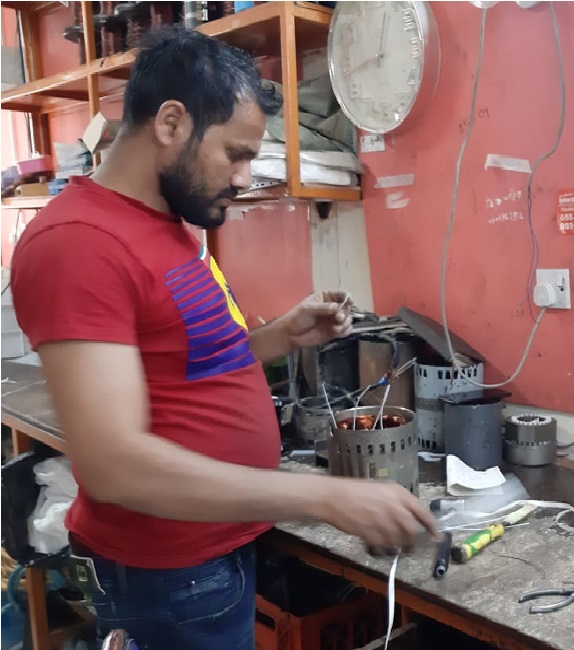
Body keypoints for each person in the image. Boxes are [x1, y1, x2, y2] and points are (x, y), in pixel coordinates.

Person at [9, 27, 437, 650]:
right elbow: (113, 466)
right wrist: (325, 496)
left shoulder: (169, 222)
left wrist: (279, 336)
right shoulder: (78, 244)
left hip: (214, 553)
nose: (244, 176)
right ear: (172, 123)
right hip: (166, 576)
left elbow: (187, 361)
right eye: (235, 153)